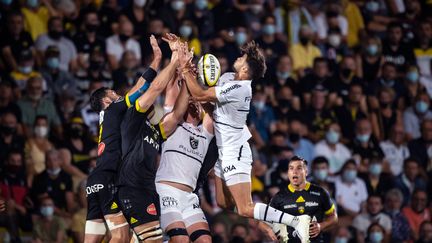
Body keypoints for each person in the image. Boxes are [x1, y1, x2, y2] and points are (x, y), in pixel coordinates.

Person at [181, 40, 311, 242]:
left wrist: (185, 70)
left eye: (242, 57)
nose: (238, 57)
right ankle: (265, 220)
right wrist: (199, 99)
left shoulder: (241, 89)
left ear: (246, 67)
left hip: (236, 150)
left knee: (245, 207)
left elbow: (199, 93)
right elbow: (211, 108)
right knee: (223, 202)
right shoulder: (226, 78)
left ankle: (295, 221)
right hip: (222, 148)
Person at [84, 35, 161, 243]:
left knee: (93, 239)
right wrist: (156, 59)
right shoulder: (114, 109)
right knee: (121, 236)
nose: (119, 95)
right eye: (114, 93)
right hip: (109, 177)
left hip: (94, 181)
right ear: (106, 100)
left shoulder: (105, 119)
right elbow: (141, 87)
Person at [115, 37, 190, 242]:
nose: (151, 102)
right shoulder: (131, 118)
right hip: (131, 187)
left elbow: (176, 115)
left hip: (147, 189)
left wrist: (188, 76)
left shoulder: (155, 130)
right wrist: (174, 60)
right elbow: (156, 87)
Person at [155, 65, 214, 242]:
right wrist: (180, 68)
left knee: (205, 241)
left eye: (197, 102)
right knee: (180, 240)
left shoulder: (205, 133)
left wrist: (202, 84)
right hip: (167, 191)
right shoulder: (172, 123)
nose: (194, 104)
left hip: (189, 197)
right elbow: (172, 91)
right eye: (190, 101)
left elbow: (211, 105)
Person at [269, 156, 338, 243]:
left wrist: (321, 226)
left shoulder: (320, 192)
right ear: (288, 173)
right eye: (291, 168)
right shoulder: (279, 196)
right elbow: (263, 222)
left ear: (306, 172)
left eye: (299, 168)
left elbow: (333, 216)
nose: (295, 171)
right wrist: (270, 231)